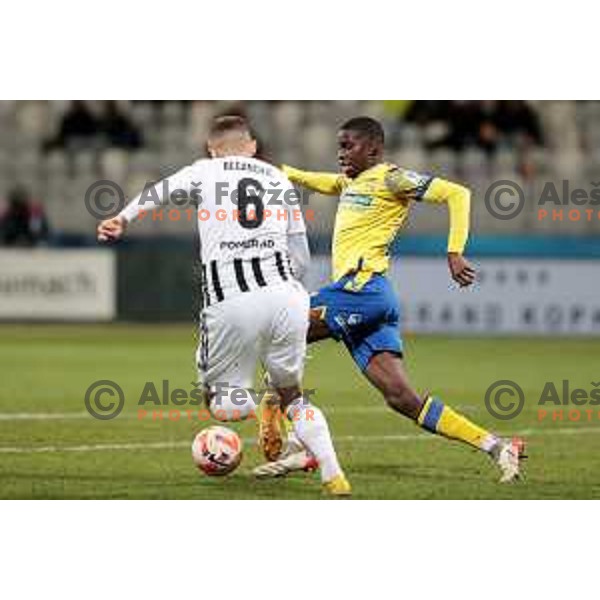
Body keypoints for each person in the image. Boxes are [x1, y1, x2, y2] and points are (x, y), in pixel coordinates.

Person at [254, 116, 525, 483]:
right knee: (402, 398)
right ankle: (497, 446)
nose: (341, 153)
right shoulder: (352, 182)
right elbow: (321, 181)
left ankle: (299, 443)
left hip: (360, 290)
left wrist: (454, 251)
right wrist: (279, 171)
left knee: (279, 328)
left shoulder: (391, 177)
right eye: (339, 146)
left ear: (374, 149)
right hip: (369, 301)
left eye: (349, 146)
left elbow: (458, 194)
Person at [96, 115, 350, 496]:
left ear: (212, 148)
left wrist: (121, 217)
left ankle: (252, 410)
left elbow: (159, 192)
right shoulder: (278, 179)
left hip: (231, 299)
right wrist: (292, 295)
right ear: (252, 146)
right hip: (286, 295)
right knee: (293, 394)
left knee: (217, 402)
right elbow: (300, 253)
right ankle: (334, 475)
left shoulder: (205, 170)